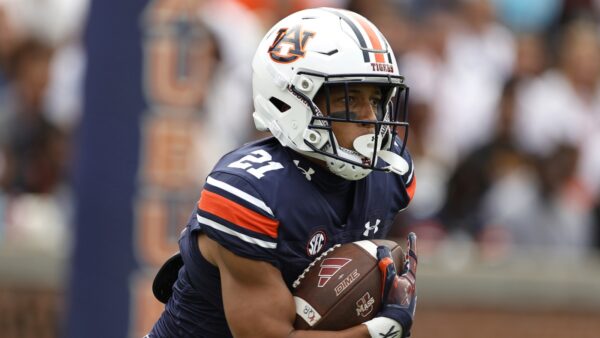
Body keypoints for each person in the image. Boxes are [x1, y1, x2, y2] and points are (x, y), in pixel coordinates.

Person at [146, 7, 418, 338]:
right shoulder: (250, 190)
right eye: (350, 99)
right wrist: (376, 331)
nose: (371, 118)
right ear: (291, 100)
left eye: (376, 99)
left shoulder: (389, 173)